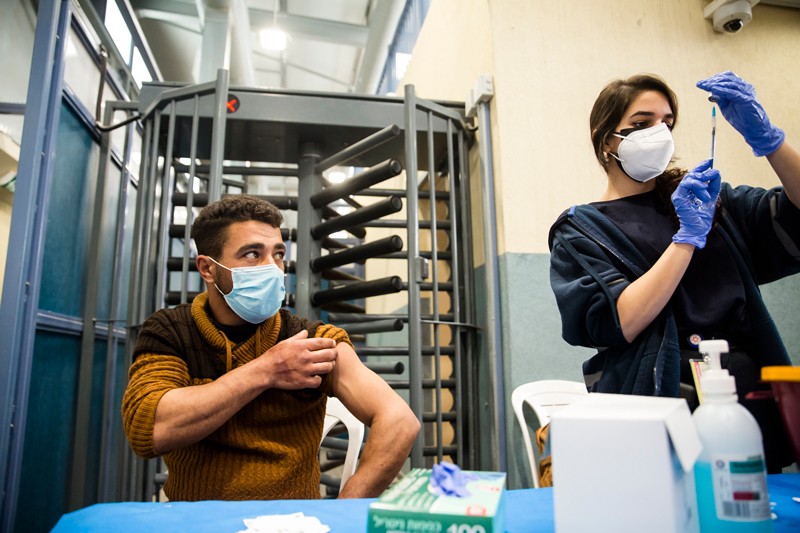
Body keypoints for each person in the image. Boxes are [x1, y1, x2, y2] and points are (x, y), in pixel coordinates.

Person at [548, 71, 800, 472]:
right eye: (642, 124)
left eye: (667, 123)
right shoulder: (582, 230)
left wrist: (769, 141)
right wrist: (685, 240)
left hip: (745, 397)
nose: (660, 133)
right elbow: (621, 319)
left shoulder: (710, 201)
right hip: (659, 398)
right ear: (606, 138)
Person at [122, 194, 420, 500]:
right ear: (208, 268)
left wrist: (344, 507)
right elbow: (149, 430)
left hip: (292, 522)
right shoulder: (171, 331)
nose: (274, 268)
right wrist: (266, 371)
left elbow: (399, 420)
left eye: (278, 254)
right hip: (196, 519)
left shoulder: (310, 339)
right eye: (252, 254)